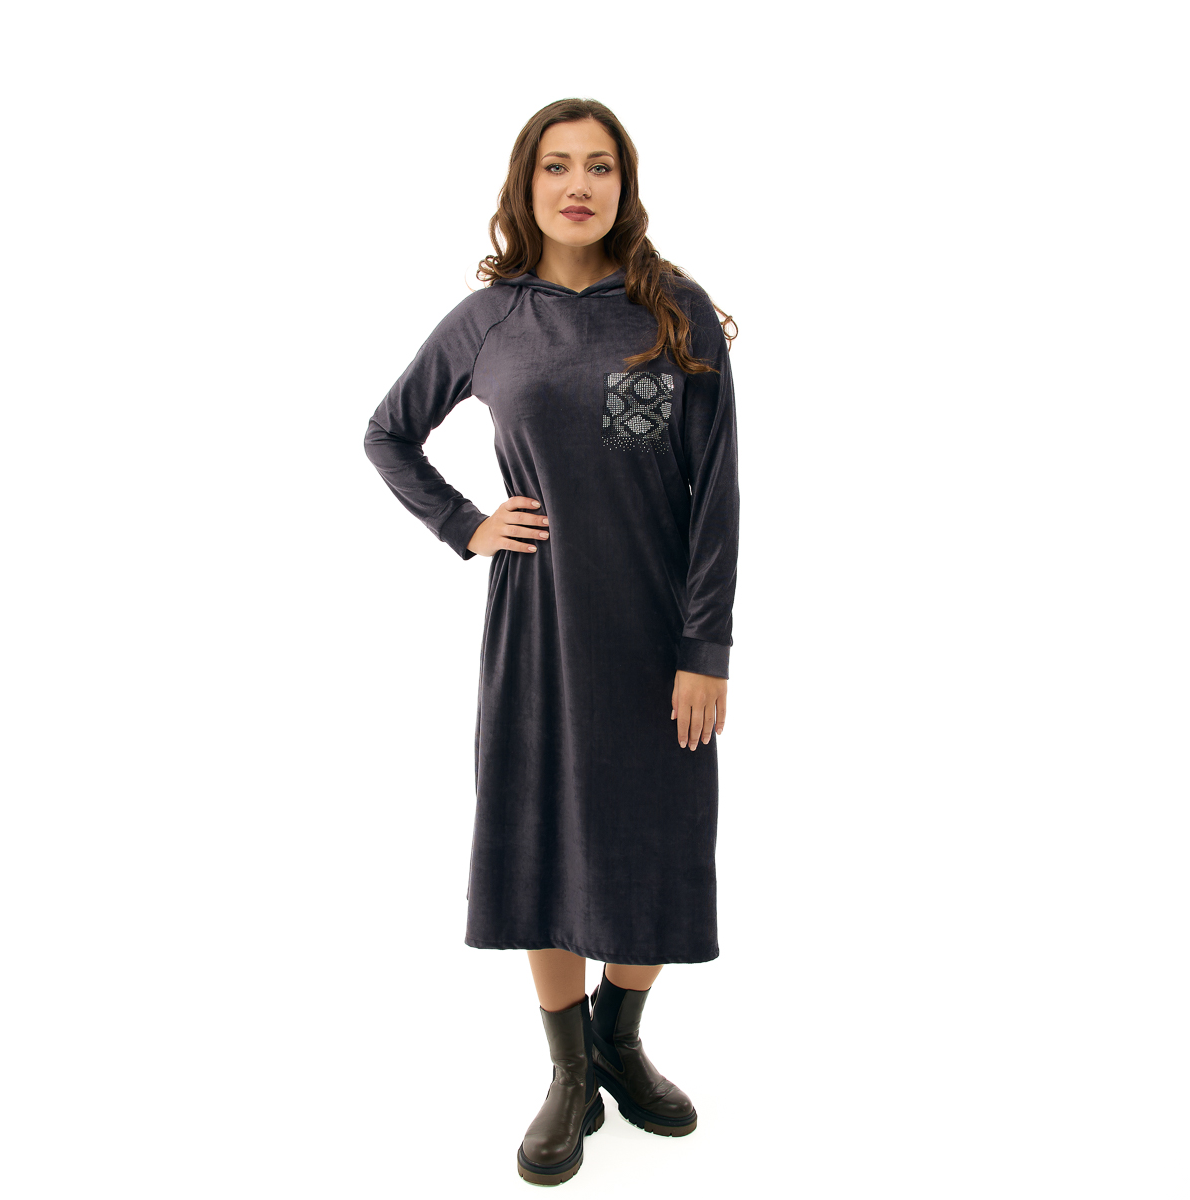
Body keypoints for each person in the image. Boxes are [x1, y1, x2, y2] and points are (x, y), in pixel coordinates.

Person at [364, 97, 740, 1186]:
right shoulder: (489, 321)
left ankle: (622, 1037)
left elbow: (715, 492)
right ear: (525, 186)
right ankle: (570, 1073)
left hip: (656, 632)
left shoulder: (674, 311)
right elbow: (388, 433)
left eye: (600, 166)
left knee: (661, 837)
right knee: (541, 833)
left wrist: (705, 647)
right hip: (537, 629)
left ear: (626, 186)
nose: (579, 185)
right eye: (556, 166)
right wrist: (465, 524)